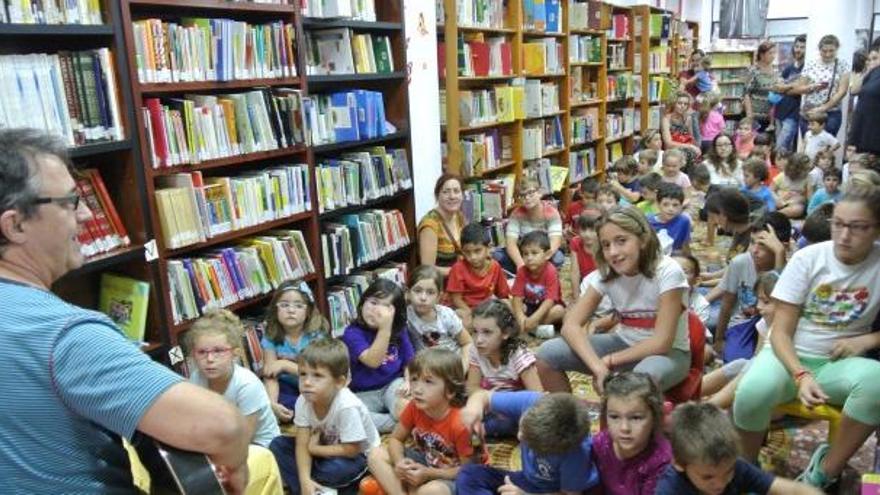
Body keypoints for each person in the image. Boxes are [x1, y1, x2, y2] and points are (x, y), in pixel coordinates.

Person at [0, 129, 250, 492]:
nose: (86, 214)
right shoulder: (66, 335)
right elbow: (223, 427)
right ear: (16, 224)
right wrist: (238, 469)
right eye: (71, 201)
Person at [732, 186, 880, 490]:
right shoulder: (808, 259)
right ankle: (747, 472)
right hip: (789, 357)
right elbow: (781, 333)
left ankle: (825, 471)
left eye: (857, 227)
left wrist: (865, 341)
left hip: (841, 364)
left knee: (877, 384)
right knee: (750, 393)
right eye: (838, 224)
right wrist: (800, 374)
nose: (844, 236)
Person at [536, 206, 691, 394]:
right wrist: (597, 367)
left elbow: (661, 342)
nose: (613, 252)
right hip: (624, 342)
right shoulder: (607, 272)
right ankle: (568, 418)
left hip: (669, 353)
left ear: (642, 240)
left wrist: (610, 360)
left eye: (621, 241)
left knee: (638, 382)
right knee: (546, 355)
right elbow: (571, 325)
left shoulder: (668, 271)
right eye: (606, 245)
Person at [269, 338, 380, 494]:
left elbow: (352, 450)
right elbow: (302, 444)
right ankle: (310, 488)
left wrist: (315, 449)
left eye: (317, 376)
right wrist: (304, 478)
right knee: (277, 445)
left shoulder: (347, 406)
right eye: (302, 374)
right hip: (323, 451)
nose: (307, 382)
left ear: (339, 382)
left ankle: (333, 486)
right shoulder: (303, 400)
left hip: (357, 457)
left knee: (334, 470)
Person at [368, 348, 480, 495]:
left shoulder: (463, 423)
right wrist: (399, 462)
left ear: (450, 391)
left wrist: (429, 474)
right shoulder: (415, 406)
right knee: (375, 454)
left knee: (431, 491)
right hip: (427, 461)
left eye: (428, 382)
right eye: (414, 379)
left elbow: (469, 470)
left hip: (455, 475)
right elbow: (396, 439)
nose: (417, 389)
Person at [656, 402, 822, 494]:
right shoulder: (669, 489)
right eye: (708, 477)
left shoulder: (736, 466)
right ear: (679, 464)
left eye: (728, 472)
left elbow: (793, 490)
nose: (720, 483)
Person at [456, 391, 600, 495]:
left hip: (550, 490)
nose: (519, 436)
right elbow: (482, 396)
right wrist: (473, 410)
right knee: (469, 474)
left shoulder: (576, 452)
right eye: (522, 427)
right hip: (527, 478)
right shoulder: (533, 401)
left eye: (530, 441)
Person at [188, 309, 281, 448]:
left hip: (261, 446)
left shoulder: (247, 385)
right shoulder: (196, 377)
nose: (210, 359)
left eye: (218, 351)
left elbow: (242, 440)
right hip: (221, 440)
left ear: (235, 353)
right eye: (202, 352)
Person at [341, 278, 414, 433]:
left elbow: (409, 361)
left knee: (404, 407)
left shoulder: (399, 330)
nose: (377, 310)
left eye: (387, 306)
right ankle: (400, 425)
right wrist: (385, 329)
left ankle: (404, 420)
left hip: (393, 384)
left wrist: (408, 381)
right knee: (350, 416)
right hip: (364, 392)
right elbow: (372, 361)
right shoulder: (352, 333)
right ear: (362, 303)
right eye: (373, 302)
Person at [714, 214, 789, 363]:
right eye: (753, 242)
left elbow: (780, 307)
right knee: (736, 361)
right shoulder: (740, 263)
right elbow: (727, 304)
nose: (754, 250)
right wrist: (719, 339)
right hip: (743, 322)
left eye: (763, 244)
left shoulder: (790, 268)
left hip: (773, 323)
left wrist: (780, 254)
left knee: (774, 358)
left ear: (782, 246)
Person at [466, 299, 542, 437]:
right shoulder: (475, 350)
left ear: (505, 333)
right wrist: (484, 400)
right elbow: (471, 387)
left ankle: (483, 430)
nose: (478, 340)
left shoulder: (518, 354)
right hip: (489, 406)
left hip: (516, 409)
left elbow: (537, 397)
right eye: (475, 332)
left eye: (487, 332)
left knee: (509, 423)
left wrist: (496, 399)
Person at [702, 271, 779, 409]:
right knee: (741, 363)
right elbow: (757, 357)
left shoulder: (793, 328)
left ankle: (708, 409)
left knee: (750, 367)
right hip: (760, 375)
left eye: (766, 302)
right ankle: (689, 393)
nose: (759, 306)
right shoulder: (763, 324)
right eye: (758, 300)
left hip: (778, 386)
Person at [592, 372, 672, 495]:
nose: (624, 428)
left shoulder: (662, 461)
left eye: (636, 418)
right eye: (614, 416)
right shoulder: (600, 443)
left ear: (654, 417)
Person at [262, 281, 328, 423]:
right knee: (274, 402)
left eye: (298, 306)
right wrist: (271, 404)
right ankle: (289, 412)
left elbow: (319, 373)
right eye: (284, 305)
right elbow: (270, 374)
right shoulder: (270, 336)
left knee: (321, 398)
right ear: (275, 310)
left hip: (313, 383)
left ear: (308, 311)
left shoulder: (316, 336)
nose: (291, 311)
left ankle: (305, 414)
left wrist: (285, 364)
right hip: (285, 387)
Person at [494, 175, 564, 274]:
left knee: (558, 258)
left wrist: (537, 263)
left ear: (540, 193)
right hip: (524, 253)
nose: (527, 198)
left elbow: (554, 243)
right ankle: (520, 272)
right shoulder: (516, 214)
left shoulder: (551, 213)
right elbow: (511, 243)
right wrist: (521, 264)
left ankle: (543, 272)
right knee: (496, 255)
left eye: (530, 193)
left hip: (542, 254)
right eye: (522, 195)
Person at [406, 265, 472, 370]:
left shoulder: (446, 315)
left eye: (430, 292)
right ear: (408, 293)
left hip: (453, 365)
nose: (423, 298)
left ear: (439, 297)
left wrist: (462, 370)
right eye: (417, 291)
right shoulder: (405, 316)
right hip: (427, 369)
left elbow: (467, 343)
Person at [446, 222, 510, 327]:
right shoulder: (458, 268)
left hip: (485, 309)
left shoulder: (495, 267)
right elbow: (456, 300)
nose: (473, 257)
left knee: (511, 307)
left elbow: (503, 295)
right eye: (467, 252)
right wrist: (471, 313)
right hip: (465, 309)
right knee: (464, 320)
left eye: (477, 251)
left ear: (488, 248)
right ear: (462, 251)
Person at [510, 230, 565, 338]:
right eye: (525, 254)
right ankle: (532, 328)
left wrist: (534, 319)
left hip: (546, 309)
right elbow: (517, 297)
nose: (529, 258)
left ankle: (531, 327)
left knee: (559, 311)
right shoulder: (522, 271)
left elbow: (549, 301)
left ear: (547, 254)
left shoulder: (551, 271)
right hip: (529, 307)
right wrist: (521, 318)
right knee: (509, 305)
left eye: (534, 253)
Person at [796, 34, 851, 137]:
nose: (827, 54)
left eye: (831, 51)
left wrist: (824, 108)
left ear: (837, 49)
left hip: (831, 113)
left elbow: (842, 91)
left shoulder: (842, 65)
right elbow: (799, 88)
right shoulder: (811, 64)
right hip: (809, 112)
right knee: (809, 146)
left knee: (825, 147)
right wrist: (812, 87)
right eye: (824, 51)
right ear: (819, 49)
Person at [418, 174, 465, 276]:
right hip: (440, 285)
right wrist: (461, 272)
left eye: (456, 191)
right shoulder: (430, 225)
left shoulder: (459, 216)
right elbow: (428, 269)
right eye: (446, 192)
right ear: (437, 196)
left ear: (462, 195)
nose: (452, 196)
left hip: (459, 280)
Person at [775, 34, 807, 152]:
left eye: (802, 47)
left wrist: (786, 87)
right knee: (780, 148)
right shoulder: (789, 67)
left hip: (793, 114)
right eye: (797, 46)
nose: (798, 50)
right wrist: (792, 87)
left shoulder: (807, 68)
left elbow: (800, 88)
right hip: (780, 112)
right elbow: (777, 87)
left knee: (780, 148)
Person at [849, 37, 880, 154]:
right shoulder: (873, 72)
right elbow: (854, 90)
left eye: (875, 57)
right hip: (863, 131)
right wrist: (867, 69)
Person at [743, 41, 782, 133]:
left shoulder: (776, 71)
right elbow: (746, 93)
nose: (773, 56)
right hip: (755, 115)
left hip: (770, 116)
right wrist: (749, 116)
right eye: (770, 53)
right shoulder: (753, 71)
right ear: (762, 55)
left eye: (774, 53)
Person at [661, 91, 702, 170]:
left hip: (688, 150)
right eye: (679, 103)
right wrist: (690, 146)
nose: (682, 106)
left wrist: (696, 147)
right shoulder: (666, 119)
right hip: (673, 151)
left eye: (685, 104)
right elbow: (668, 143)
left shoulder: (688, 118)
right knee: (686, 155)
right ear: (673, 103)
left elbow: (692, 138)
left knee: (696, 156)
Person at [647, 182, 692, 255]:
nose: (670, 209)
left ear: (681, 206)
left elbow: (685, 245)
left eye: (675, 205)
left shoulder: (684, 221)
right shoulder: (647, 221)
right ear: (658, 204)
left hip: (674, 259)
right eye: (665, 204)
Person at [772, 151, 811, 219]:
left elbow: (809, 197)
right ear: (796, 169)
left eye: (808, 169)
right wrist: (778, 200)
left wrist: (801, 198)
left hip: (795, 204)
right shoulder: (782, 176)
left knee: (798, 209)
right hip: (780, 200)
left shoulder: (807, 178)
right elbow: (770, 190)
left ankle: (775, 215)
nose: (807, 171)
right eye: (805, 170)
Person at [568, 214, 598, 302]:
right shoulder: (576, 242)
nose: (587, 234)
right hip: (584, 281)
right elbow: (575, 272)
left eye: (592, 230)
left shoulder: (604, 244)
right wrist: (576, 297)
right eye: (583, 230)